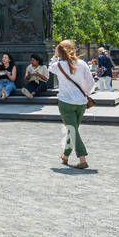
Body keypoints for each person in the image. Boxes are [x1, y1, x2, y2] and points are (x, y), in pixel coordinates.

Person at [51, 39, 94, 169]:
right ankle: (65, 155)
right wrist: (83, 93)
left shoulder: (58, 65)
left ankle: (82, 159)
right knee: (73, 130)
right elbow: (91, 82)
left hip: (65, 102)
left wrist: (55, 55)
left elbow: (49, 68)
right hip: (81, 102)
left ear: (60, 50)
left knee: (73, 130)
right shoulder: (82, 63)